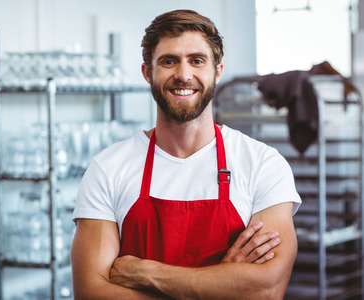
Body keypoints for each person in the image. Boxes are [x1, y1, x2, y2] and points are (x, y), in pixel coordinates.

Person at [71, 9, 301, 299]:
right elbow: (90, 293)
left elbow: (266, 290)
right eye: (169, 61)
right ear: (147, 72)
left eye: (197, 60)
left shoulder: (264, 165)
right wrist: (223, 286)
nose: (183, 74)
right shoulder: (107, 168)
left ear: (217, 72)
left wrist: (146, 273)